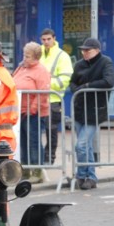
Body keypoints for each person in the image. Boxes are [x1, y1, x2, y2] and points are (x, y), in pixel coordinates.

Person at [70, 38, 114, 190]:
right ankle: (90, 177)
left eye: (87, 50)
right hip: (79, 109)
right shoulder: (79, 64)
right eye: (83, 50)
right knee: (86, 146)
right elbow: (72, 82)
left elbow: (109, 81)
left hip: (95, 109)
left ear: (97, 50)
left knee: (81, 145)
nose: (84, 53)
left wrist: (87, 86)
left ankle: (82, 175)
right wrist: (77, 89)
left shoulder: (105, 62)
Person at [12, 41, 50, 183]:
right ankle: (25, 170)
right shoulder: (21, 68)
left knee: (33, 142)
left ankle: (37, 171)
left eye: (27, 56)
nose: (24, 58)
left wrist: (32, 108)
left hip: (33, 113)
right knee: (23, 142)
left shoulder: (41, 71)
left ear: (36, 57)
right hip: (20, 111)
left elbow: (43, 92)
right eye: (24, 55)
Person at [39, 28, 73, 165]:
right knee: (33, 131)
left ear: (54, 38)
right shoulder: (37, 53)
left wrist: (44, 84)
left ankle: (49, 158)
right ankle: (38, 157)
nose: (46, 42)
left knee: (51, 131)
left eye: (49, 39)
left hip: (53, 100)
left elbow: (64, 80)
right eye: (44, 39)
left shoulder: (62, 56)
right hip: (36, 100)